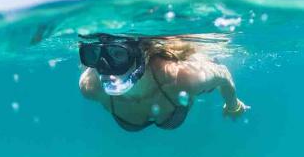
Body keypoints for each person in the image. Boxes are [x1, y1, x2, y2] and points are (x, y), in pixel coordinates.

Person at [78, 33, 250, 131]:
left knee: (204, 71)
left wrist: (232, 105)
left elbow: (224, 74)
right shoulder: (90, 87)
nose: (104, 66)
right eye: (92, 55)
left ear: (142, 55)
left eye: (118, 54)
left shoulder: (182, 77)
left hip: (183, 71)